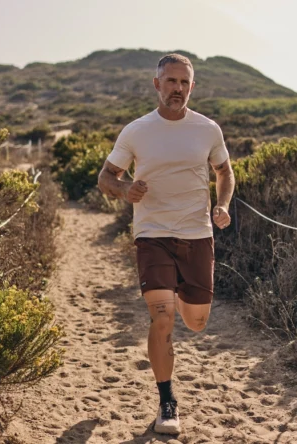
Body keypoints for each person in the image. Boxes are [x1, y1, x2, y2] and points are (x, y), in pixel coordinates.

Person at [97, 53, 235, 435]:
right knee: (162, 318)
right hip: (152, 234)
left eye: (184, 83)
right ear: (156, 84)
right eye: (170, 81)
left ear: (193, 87)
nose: (177, 89)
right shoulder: (136, 131)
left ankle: (179, 298)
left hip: (196, 234)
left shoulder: (208, 129)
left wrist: (221, 205)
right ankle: (167, 402)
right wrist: (125, 189)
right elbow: (106, 177)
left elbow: (225, 172)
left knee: (197, 320)